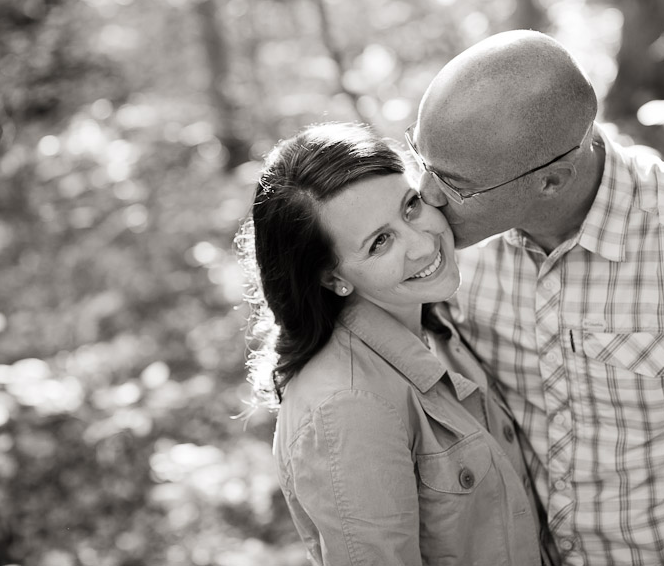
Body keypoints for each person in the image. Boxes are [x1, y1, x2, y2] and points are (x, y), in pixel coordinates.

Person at [406, 29, 664, 566]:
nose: (425, 194)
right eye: (419, 157)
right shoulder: (440, 248)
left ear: (551, 182)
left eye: (455, 183)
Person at [236, 122, 552, 565]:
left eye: (411, 206)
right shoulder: (347, 408)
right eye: (380, 242)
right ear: (333, 278)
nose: (423, 244)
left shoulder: (435, 321)